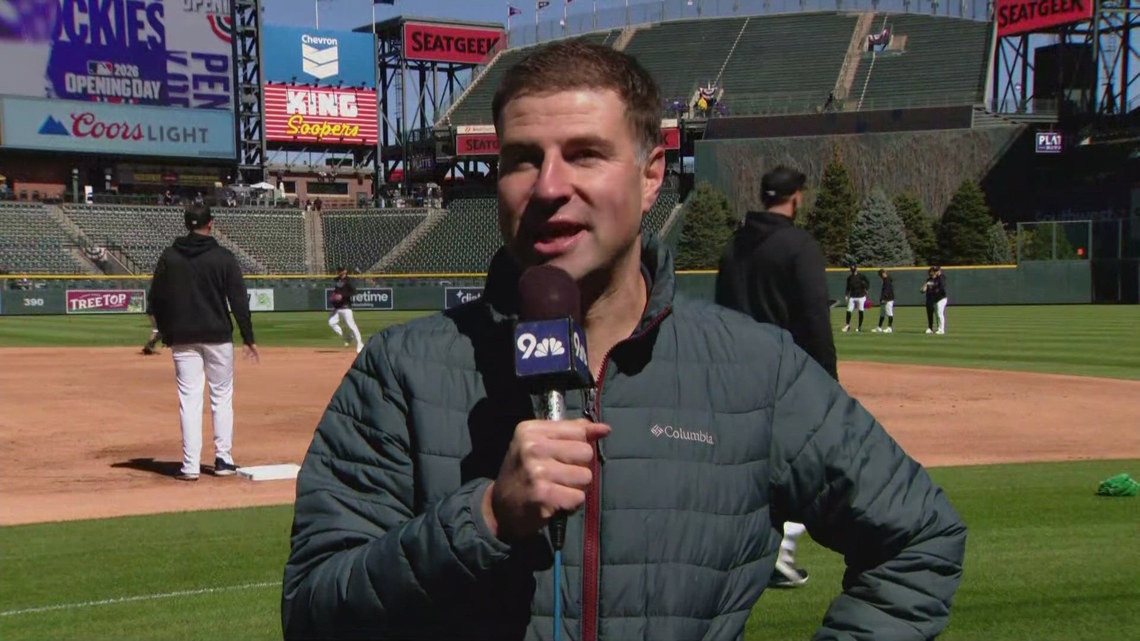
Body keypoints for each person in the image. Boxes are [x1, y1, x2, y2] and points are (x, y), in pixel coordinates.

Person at [281, 40, 966, 641]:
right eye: (522, 159)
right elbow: (312, 612)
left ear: (650, 174)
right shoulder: (400, 373)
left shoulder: (758, 370)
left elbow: (919, 539)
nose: (549, 187)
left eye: (584, 154)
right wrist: (484, 517)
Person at [714, 165, 838, 587]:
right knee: (807, 467)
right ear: (796, 196)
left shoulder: (734, 246)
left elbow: (720, 313)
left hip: (736, 374)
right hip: (787, 374)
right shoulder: (797, 245)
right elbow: (814, 317)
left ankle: (755, 550)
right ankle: (779, 553)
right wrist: (827, 380)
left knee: (751, 469)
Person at [148, 204, 260, 482]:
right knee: (221, 397)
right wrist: (248, 337)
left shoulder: (170, 256)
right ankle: (223, 459)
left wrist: (163, 331)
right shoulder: (223, 257)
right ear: (211, 223)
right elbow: (238, 300)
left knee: (189, 399)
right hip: (217, 335)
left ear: (187, 224)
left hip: (183, 337)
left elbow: (155, 300)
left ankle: (190, 466)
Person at [327, 266, 364, 354]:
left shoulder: (349, 281)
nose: (339, 272)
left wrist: (343, 295)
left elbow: (354, 292)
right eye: (338, 270)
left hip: (346, 307)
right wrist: (334, 295)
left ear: (345, 271)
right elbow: (336, 290)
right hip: (338, 307)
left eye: (341, 270)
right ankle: (347, 337)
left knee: (352, 326)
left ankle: (360, 344)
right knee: (331, 322)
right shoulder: (337, 280)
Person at [843, 264, 870, 333]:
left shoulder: (861, 276)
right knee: (849, 311)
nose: (853, 271)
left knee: (860, 311)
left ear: (857, 269)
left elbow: (867, 283)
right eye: (852, 269)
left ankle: (859, 327)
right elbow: (848, 287)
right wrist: (846, 295)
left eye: (854, 269)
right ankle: (847, 325)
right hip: (852, 296)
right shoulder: (849, 278)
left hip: (861, 296)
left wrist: (866, 289)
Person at [922, 265, 948, 334]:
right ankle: (938, 328)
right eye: (934, 271)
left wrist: (935, 289)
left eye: (936, 271)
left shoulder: (941, 277)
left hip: (941, 298)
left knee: (940, 313)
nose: (935, 272)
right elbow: (923, 289)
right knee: (937, 314)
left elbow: (941, 286)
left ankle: (941, 329)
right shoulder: (931, 279)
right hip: (935, 299)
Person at [873, 268, 896, 333]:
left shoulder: (887, 280)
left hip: (888, 299)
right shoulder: (885, 279)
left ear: (883, 274)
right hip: (885, 299)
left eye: (880, 275)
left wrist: (884, 298)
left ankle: (889, 327)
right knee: (882, 314)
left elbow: (887, 290)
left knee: (889, 313)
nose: (880, 277)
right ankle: (879, 327)